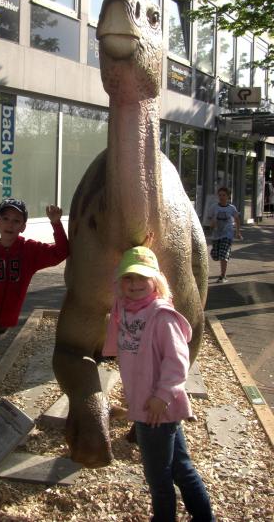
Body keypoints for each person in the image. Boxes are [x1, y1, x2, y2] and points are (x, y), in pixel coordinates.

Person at [103, 246, 215, 522]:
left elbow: (177, 361)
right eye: (128, 278)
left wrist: (161, 396)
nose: (135, 284)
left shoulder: (161, 316)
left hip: (154, 407)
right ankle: (204, 517)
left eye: (143, 278)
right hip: (148, 404)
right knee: (180, 467)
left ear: (157, 281)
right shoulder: (126, 309)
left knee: (158, 476)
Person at [0, 198, 69, 437]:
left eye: (16, 220)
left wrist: (56, 224)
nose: (10, 223)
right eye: (5, 218)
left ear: (23, 226)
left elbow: (61, 252)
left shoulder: (29, 251)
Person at [208, 187, 242, 283]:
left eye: (224, 195)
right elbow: (209, 222)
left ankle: (223, 276)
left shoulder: (231, 208)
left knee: (223, 254)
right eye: (220, 195)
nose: (222, 197)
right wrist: (212, 224)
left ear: (228, 197)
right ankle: (222, 273)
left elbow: (237, 220)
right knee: (215, 255)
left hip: (227, 235)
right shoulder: (213, 207)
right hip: (216, 235)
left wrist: (238, 232)